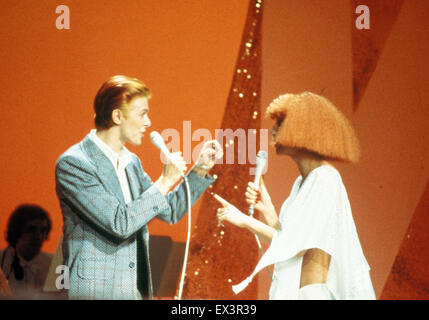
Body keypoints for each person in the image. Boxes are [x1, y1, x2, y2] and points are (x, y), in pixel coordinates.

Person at [55, 75, 222, 300]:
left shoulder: (131, 162)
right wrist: (164, 181)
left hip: (132, 291)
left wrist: (200, 169)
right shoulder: (75, 163)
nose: (148, 122)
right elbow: (119, 223)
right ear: (117, 116)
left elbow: (170, 210)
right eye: (142, 113)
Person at [214, 92, 376, 300]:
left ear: (304, 130)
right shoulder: (303, 182)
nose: (272, 132)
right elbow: (290, 237)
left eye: (280, 124)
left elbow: (296, 247)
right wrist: (270, 211)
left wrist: (245, 221)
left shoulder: (325, 179)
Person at [0, 204, 53, 299]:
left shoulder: (54, 265)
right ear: (17, 231)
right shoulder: (2, 260)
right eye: (31, 230)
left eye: (43, 231)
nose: (38, 237)